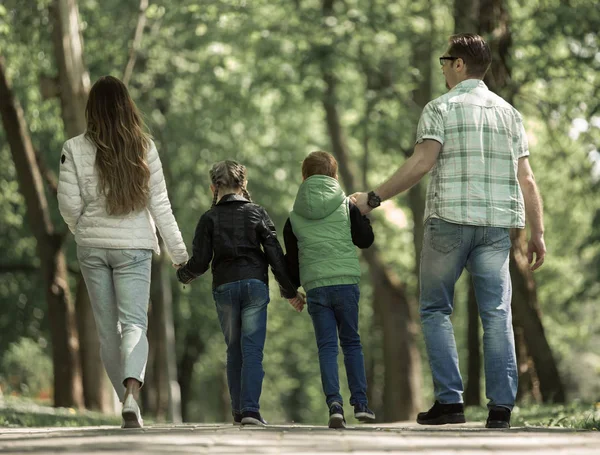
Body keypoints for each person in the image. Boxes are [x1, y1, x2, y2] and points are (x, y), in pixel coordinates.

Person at [351, 33, 546, 429]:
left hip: (449, 224)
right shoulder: (510, 114)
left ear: (459, 65)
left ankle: (450, 402)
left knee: (436, 308)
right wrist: (537, 233)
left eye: (445, 61)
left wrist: (372, 199)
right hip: (495, 228)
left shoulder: (440, 108)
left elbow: (422, 162)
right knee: (497, 314)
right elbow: (526, 178)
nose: (441, 67)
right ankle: (501, 410)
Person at [57, 76, 188, 428]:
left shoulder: (73, 147)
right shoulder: (144, 147)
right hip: (134, 247)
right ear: (127, 106)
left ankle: (127, 403)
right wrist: (179, 254)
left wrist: (83, 230)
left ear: (92, 109)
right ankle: (132, 394)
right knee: (134, 324)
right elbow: (160, 204)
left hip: (93, 247)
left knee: (107, 331)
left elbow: (68, 205)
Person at [176, 160, 304, 426]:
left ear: (213, 186)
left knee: (234, 350)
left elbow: (200, 263)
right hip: (255, 286)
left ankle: (238, 412)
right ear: (243, 185)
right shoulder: (257, 213)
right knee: (253, 350)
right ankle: (250, 411)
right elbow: (275, 257)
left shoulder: (208, 218)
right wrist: (290, 291)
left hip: (224, 287)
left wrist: (183, 274)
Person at [284, 151, 376, 429]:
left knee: (326, 347)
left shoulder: (294, 216)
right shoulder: (346, 206)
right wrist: (362, 215)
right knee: (351, 343)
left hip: (316, 288)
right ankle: (360, 403)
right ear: (334, 176)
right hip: (346, 282)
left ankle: (334, 405)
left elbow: (291, 260)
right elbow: (366, 240)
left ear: (304, 177)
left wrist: (292, 291)